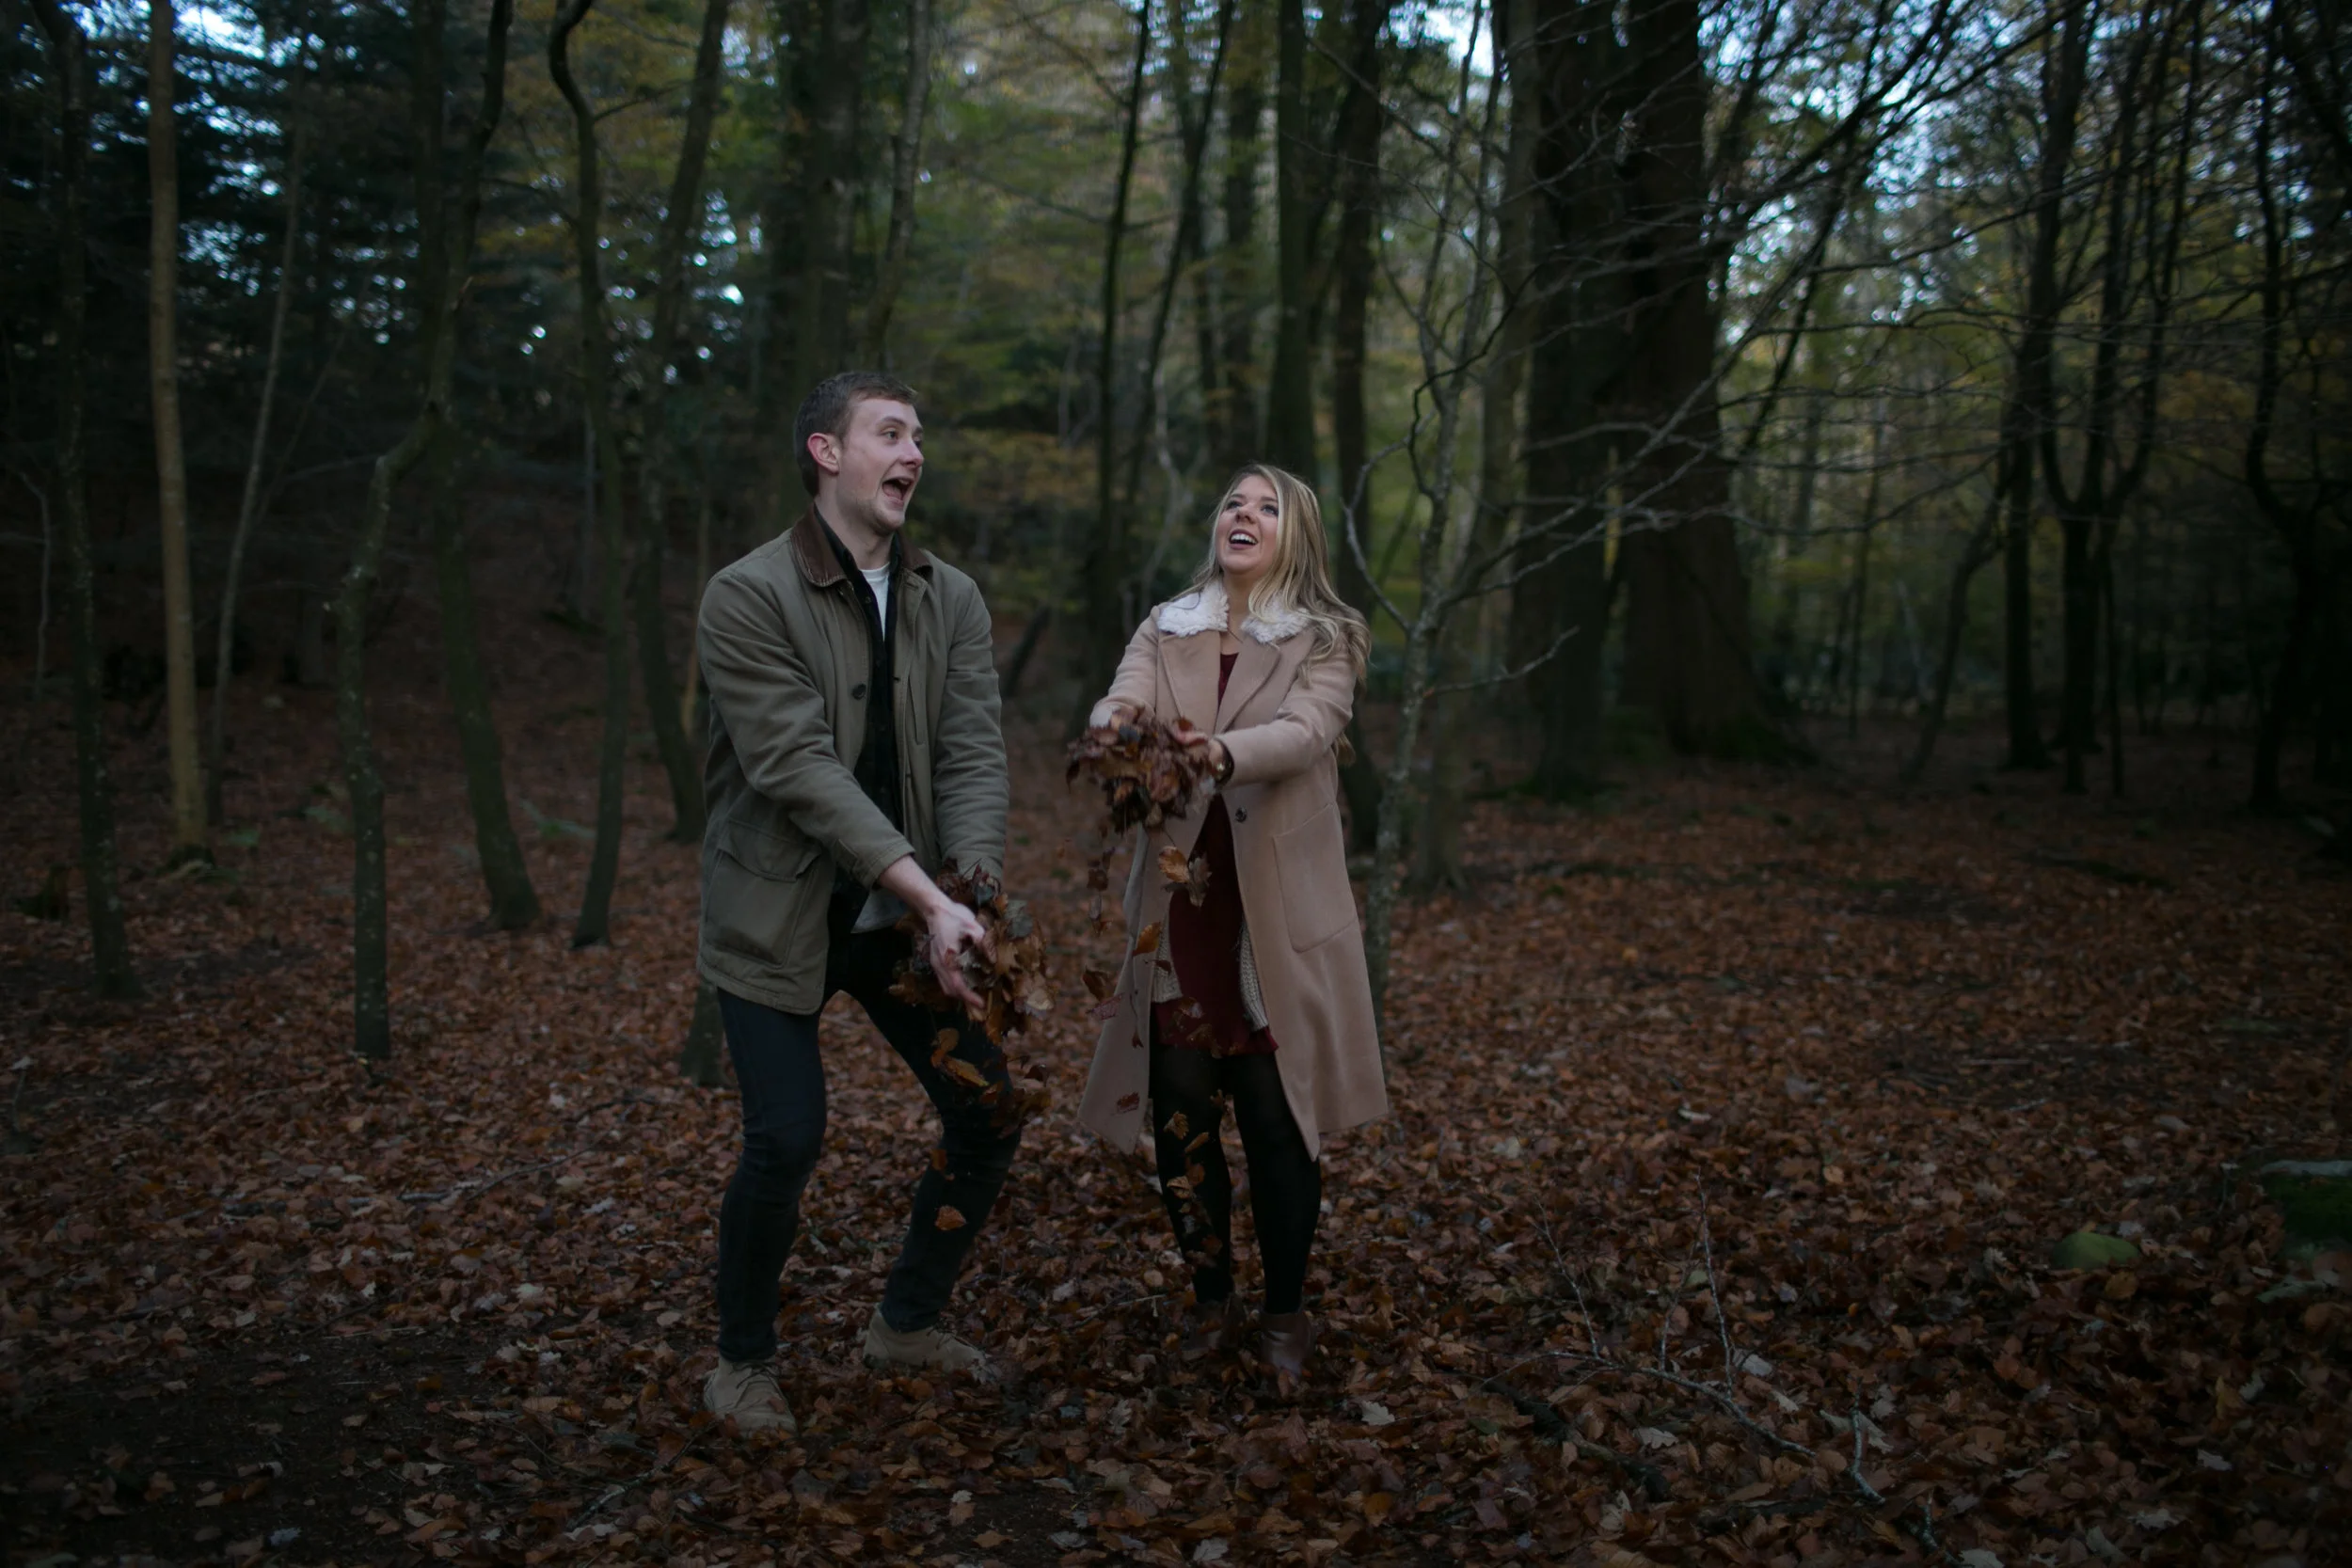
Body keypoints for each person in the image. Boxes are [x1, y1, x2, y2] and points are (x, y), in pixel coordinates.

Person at [694, 371, 1019, 1433]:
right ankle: (741, 1360)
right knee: (787, 1136)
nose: (913, 452)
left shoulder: (950, 595)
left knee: (987, 1108)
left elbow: (973, 749)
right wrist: (925, 891)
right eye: (889, 432)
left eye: (919, 434)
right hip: (777, 911)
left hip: (902, 918)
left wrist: (962, 896)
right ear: (825, 453)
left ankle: (907, 1323)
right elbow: (792, 763)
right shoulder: (747, 593)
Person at [1074, 464, 1388, 1380]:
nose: (1241, 516)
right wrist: (1115, 733)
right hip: (1181, 906)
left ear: (1297, 536)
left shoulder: (1326, 638)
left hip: (1273, 915)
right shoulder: (1166, 622)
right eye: (1231, 503)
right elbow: (1118, 699)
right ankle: (1211, 1300)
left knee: (1273, 1115)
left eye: (1267, 507)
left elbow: (1304, 732)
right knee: (1179, 1111)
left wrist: (1212, 752)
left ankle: (1285, 1314)